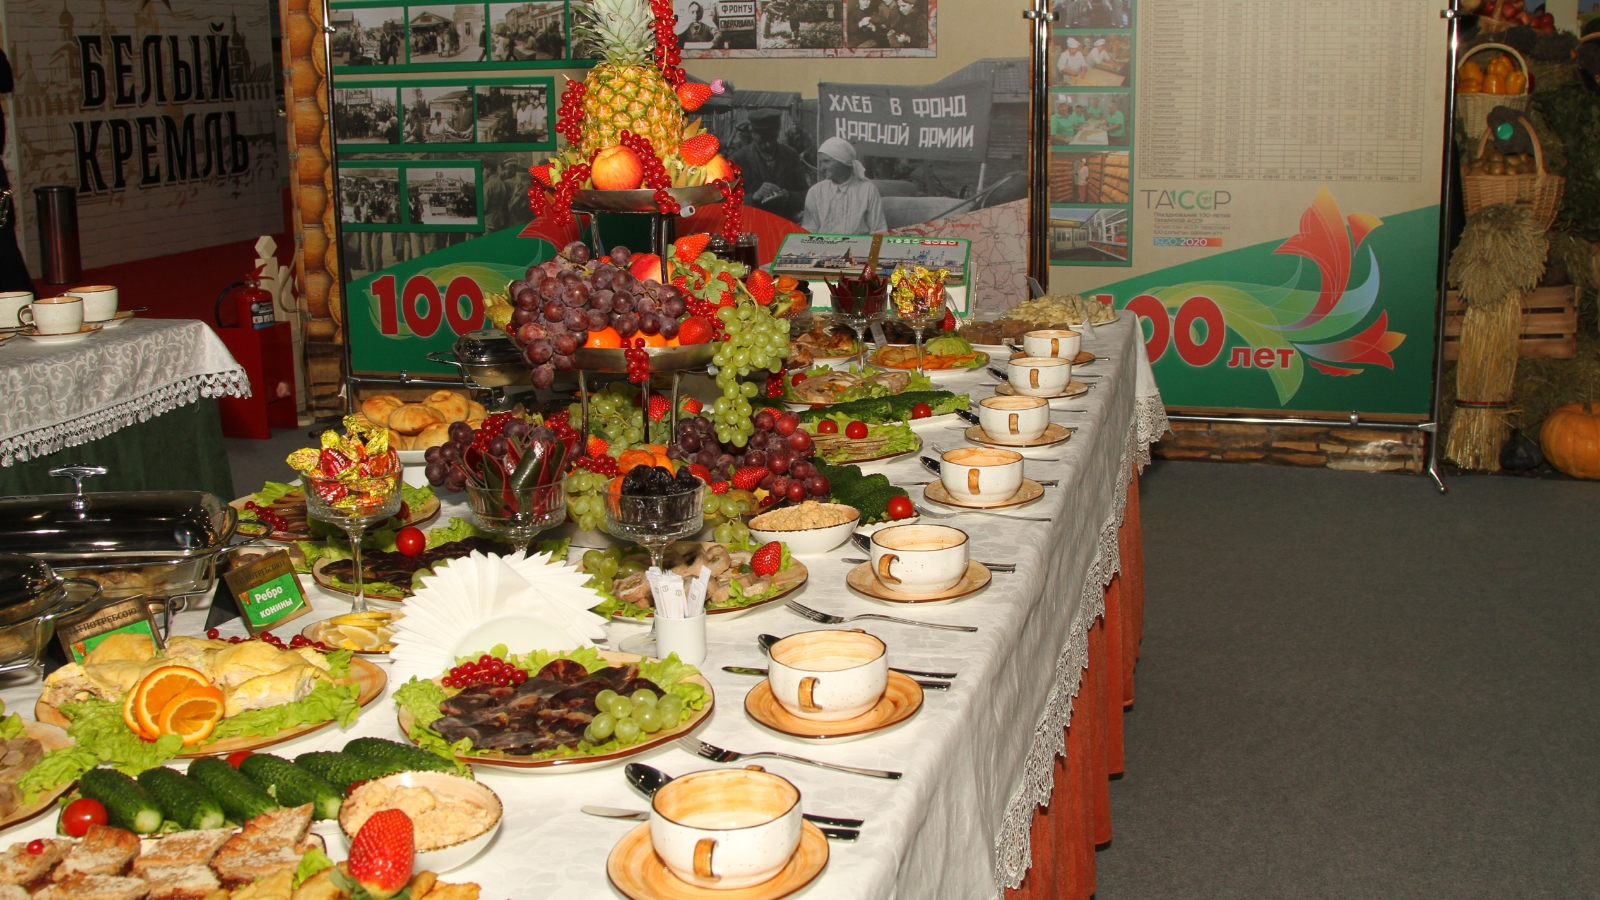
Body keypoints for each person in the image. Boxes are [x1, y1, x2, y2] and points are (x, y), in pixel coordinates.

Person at [729, 110, 807, 222]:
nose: (769, 144)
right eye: (763, 139)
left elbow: (805, 195)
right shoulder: (738, 159)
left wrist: (788, 197)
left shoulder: (791, 155)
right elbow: (725, 201)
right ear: (752, 133)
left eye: (773, 138)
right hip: (752, 225)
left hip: (783, 224)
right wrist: (753, 197)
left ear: (778, 131)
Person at [802, 137, 886, 235]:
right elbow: (809, 231)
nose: (822, 168)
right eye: (821, 162)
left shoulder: (868, 190)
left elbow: (878, 231)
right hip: (824, 244)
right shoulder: (815, 192)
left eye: (826, 161)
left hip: (859, 244)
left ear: (843, 161)